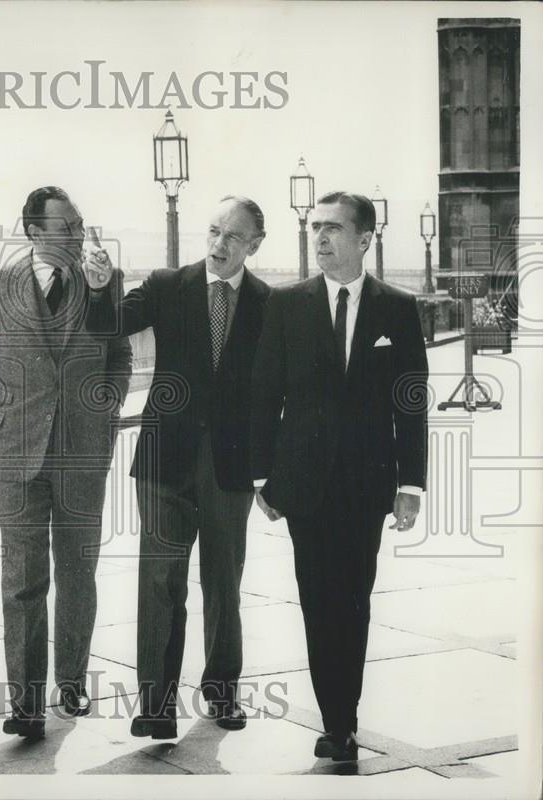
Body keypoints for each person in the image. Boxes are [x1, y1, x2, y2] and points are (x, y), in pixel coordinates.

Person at [250, 191, 428, 761]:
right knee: (315, 600)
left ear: (364, 240)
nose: (320, 238)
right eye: (316, 228)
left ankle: (343, 721)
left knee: (353, 601)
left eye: (333, 229)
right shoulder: (287, 305)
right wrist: (263, 479)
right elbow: (265, 396)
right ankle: (335, 718)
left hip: (366, 484)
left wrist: (411, 484)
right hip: (303, 484)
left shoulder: (397, 308)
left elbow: (413, 403)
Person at [85, 196, 271, 739]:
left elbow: (278, 390)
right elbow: (109, 327)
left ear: (255, 245)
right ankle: (156, 705)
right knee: (160, 581)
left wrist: (273, 467)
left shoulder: (268, 302)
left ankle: (221, 693)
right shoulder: (168, 284)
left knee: (223, 582)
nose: (218, 244)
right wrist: (100, 288)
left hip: (230, 465)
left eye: (233, 237)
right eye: (214, 231)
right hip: (165, 459)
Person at [0, 186, 132, 739]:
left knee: (77, 572)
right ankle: (24, 703)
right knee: (21, 580)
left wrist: (107, 410)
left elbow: (120, 353)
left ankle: (72, 681)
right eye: (66, 227)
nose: (79, 235)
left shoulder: (102, 282)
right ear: (34, 231)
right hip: (15, 452)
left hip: (82, 453)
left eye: (81, 223)